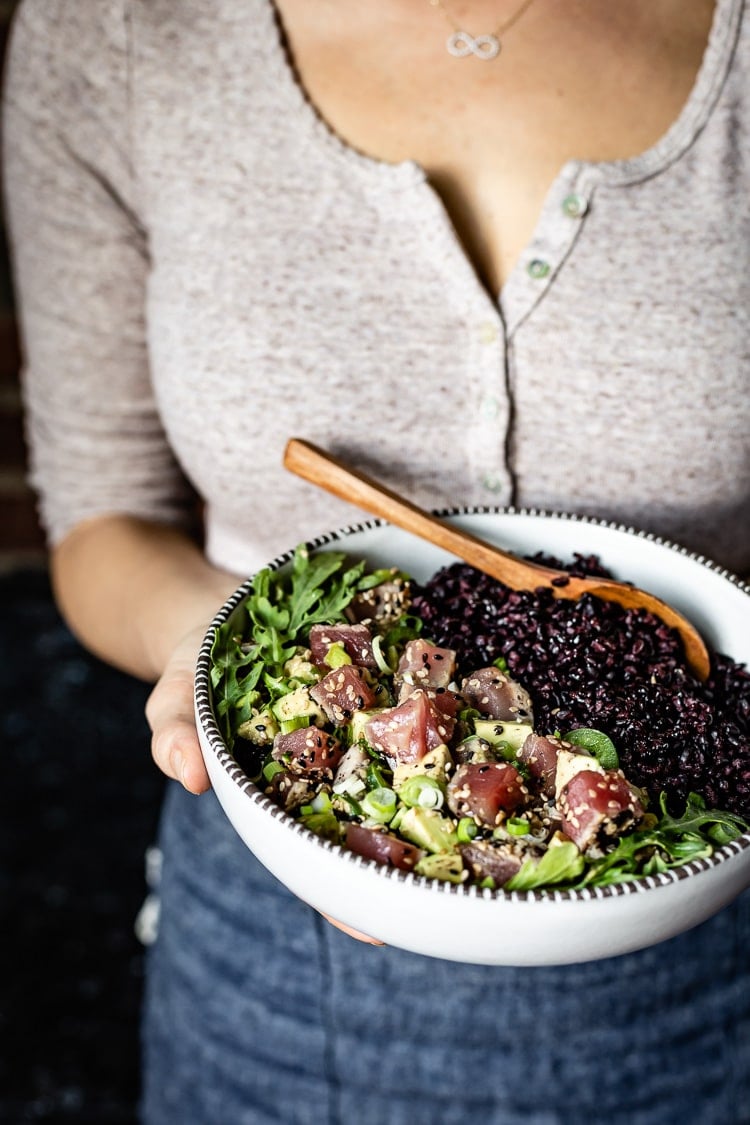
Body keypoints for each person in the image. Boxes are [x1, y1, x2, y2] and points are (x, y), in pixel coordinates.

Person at [3, 0, 749, 1121]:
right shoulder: (111, 28)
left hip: (713, 948)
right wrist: (221, 647)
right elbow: (105, 518)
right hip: (282, 936)